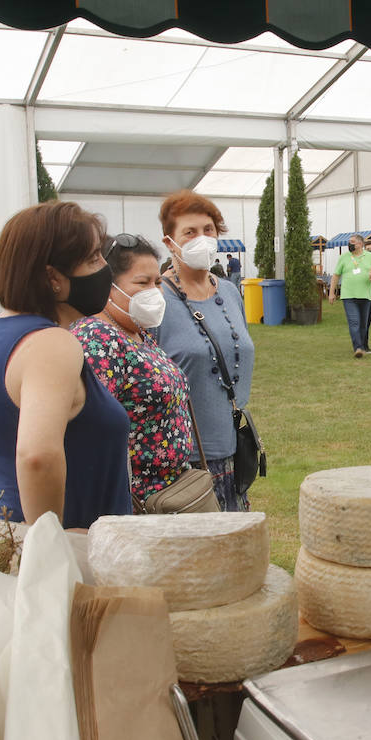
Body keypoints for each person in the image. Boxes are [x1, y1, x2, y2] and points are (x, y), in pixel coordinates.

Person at [0, 201, 130, 528]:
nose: (104, 267)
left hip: (5, 530)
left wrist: (4, 474)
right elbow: (37, 456)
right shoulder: (51, 344)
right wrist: (50, 546)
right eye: (93, 258)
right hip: (67, 550)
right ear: (53, 277)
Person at [71, 233, 197, 509]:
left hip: (171, 493)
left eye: (158, 282)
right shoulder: (97, 339)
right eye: (142, 283)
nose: (154, 291)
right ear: (108, 285)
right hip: (137, 504)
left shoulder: (137, 331)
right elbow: (94, 428)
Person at [153, 190, 257, 511]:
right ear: (170, 242)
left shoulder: (228, 290)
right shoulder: (156, 300)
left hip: (230, 448)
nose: (202, 238)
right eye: (190, 232)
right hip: (184, 461)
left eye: (208, 229)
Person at [329, 233, 371, 358]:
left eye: (352, 242)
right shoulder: (344, 257)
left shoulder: (370, 257)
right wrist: (331, 292)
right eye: (349, 242)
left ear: (360, 244)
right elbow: (336, 275)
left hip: (365, 295)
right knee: (354, 322)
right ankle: (357, 347)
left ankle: (362, 346)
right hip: (348, 295)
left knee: (363, 324)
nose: (349, 244)